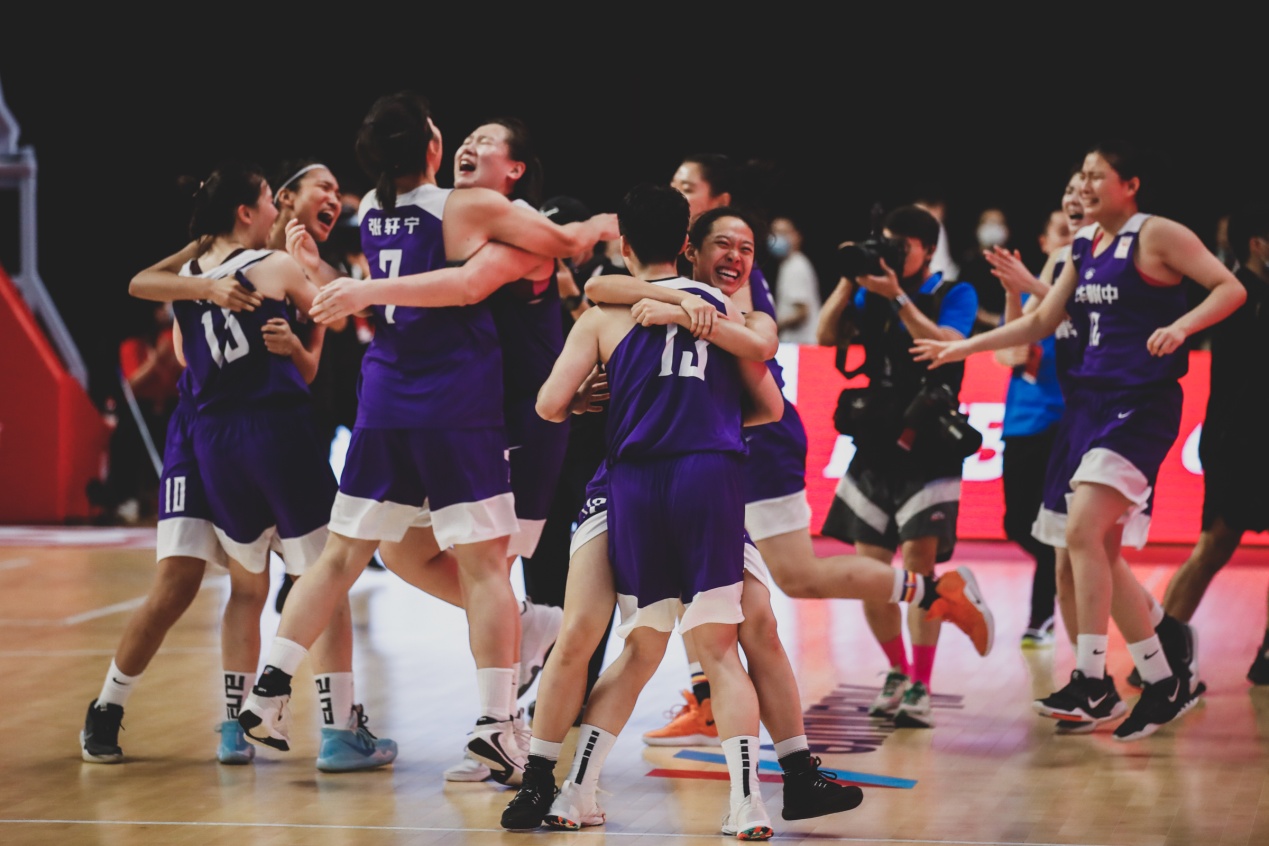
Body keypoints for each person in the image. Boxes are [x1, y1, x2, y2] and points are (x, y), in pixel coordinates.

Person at [238, 91, 616, 786]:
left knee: (355, 554)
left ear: (516, 167)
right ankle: (499, 715)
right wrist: (600, 226)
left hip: (470, 408)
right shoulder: (464, 209)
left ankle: (270, 687)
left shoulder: (386, 212)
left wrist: (337, 279)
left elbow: (415, 285)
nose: (468, 143)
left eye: (486, 139)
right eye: (458, 135)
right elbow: (466, 283)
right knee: (464, 564)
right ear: (434, 149)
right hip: (461, 404)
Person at [914, 139, 1246, 740]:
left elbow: (1230, 288)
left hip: (1140, 404)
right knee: (1097, 550)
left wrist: (1182, 326)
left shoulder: (1158, 234)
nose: (1084, 186)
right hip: (1085, 408)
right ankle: (1161, 677)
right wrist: (962, 349)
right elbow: (1042, 321)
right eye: (1081, 176)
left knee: (1082, 534)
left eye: (1096, 176)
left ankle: (1094, 680)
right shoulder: (1084, 244)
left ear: (1130, 185)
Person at [81, 161, 394, 773]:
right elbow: (331, 314)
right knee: (296, 580)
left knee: (250, 585)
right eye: (321, 189)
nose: (333, 199)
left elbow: (189, 342)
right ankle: (333, 727)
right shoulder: (265, 263)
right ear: (274, 203)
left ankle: (237, 726)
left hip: (218, 436)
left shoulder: (204, 270)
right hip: (242, 430)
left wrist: (288, 335)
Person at [514, 183, 786, 838]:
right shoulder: (723, 311)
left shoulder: (604, 311)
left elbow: (548, 404)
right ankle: (748, 800)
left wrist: (583, 400)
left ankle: (551, 787)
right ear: (689, 245)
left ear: (624, 243)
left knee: (595, 640)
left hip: (625, 486)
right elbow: (769, 405)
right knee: (721, 649)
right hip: (707, 479)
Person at [814, 204, 981, 727]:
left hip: (930, 442)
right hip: (875, 439)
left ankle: (922, 684)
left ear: (928, 250)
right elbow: (825, 336)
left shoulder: (955, 292)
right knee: (870, 571)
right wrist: (849, 280)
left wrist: (900, 298)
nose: (890, 253)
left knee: (917, 563)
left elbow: (948, 346)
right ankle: (897, 670)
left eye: (901, 246)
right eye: (886, 242)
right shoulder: (870, 290)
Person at [1157, 201, 1269, 685]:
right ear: (1258, 244)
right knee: (1213, 547)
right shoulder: (1234, 295)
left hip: (1256, 443)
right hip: (1237, 444)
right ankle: (1158, 659)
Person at [767, 215, 822, 345]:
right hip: (798, 344)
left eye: (782, 233)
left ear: (796, 236)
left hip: (802, 345)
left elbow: (801, 312)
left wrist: (770, 326)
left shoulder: (795, 265)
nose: (777, 238)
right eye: (774, 233)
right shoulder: (789, 264)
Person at [959, 206, 1012, 334]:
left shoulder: (1012, 265)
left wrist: (990, 319)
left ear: (1007, 230)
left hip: (1007, 333)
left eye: (998, 223)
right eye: (988, 223)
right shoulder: (968, 264)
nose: (992, 228)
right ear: (978, 229)